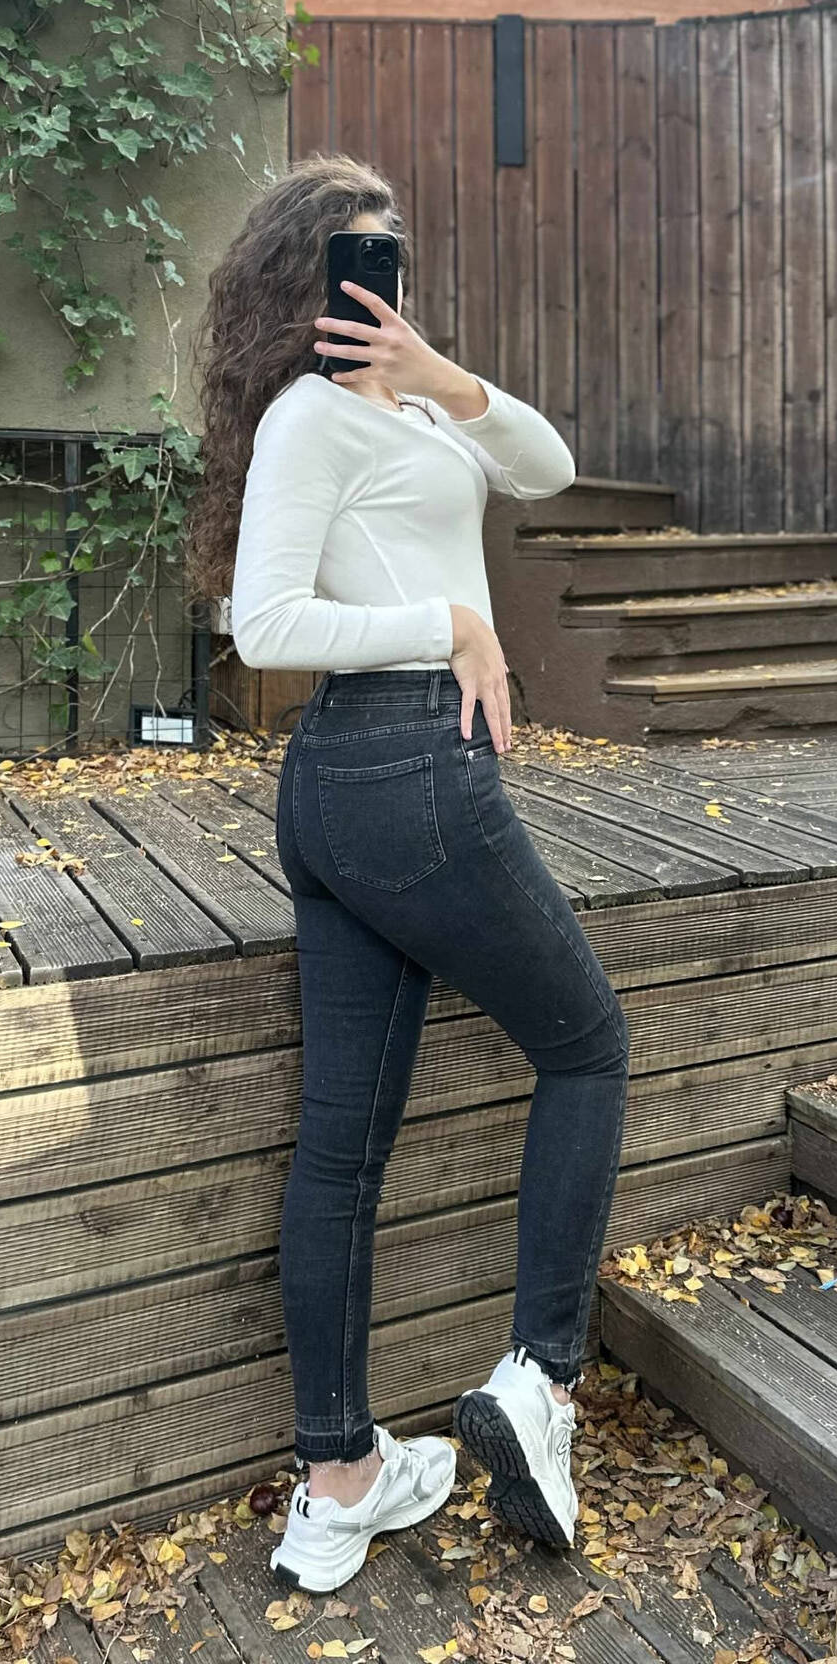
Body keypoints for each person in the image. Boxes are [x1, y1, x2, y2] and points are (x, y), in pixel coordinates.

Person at [185, 154, 629, 1595]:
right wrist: (449, 623)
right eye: (357, 263)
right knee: (589, 1047)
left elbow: (548, 467)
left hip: (354, 797)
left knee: (343, 1147)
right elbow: (263, 627)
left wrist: (440, 373)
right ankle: (540, 1383)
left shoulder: (418, 410)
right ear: (303, 287)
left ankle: (341, 1487)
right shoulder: (309, 419)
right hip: (398, 773)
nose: (383, 287)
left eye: (395, 261)